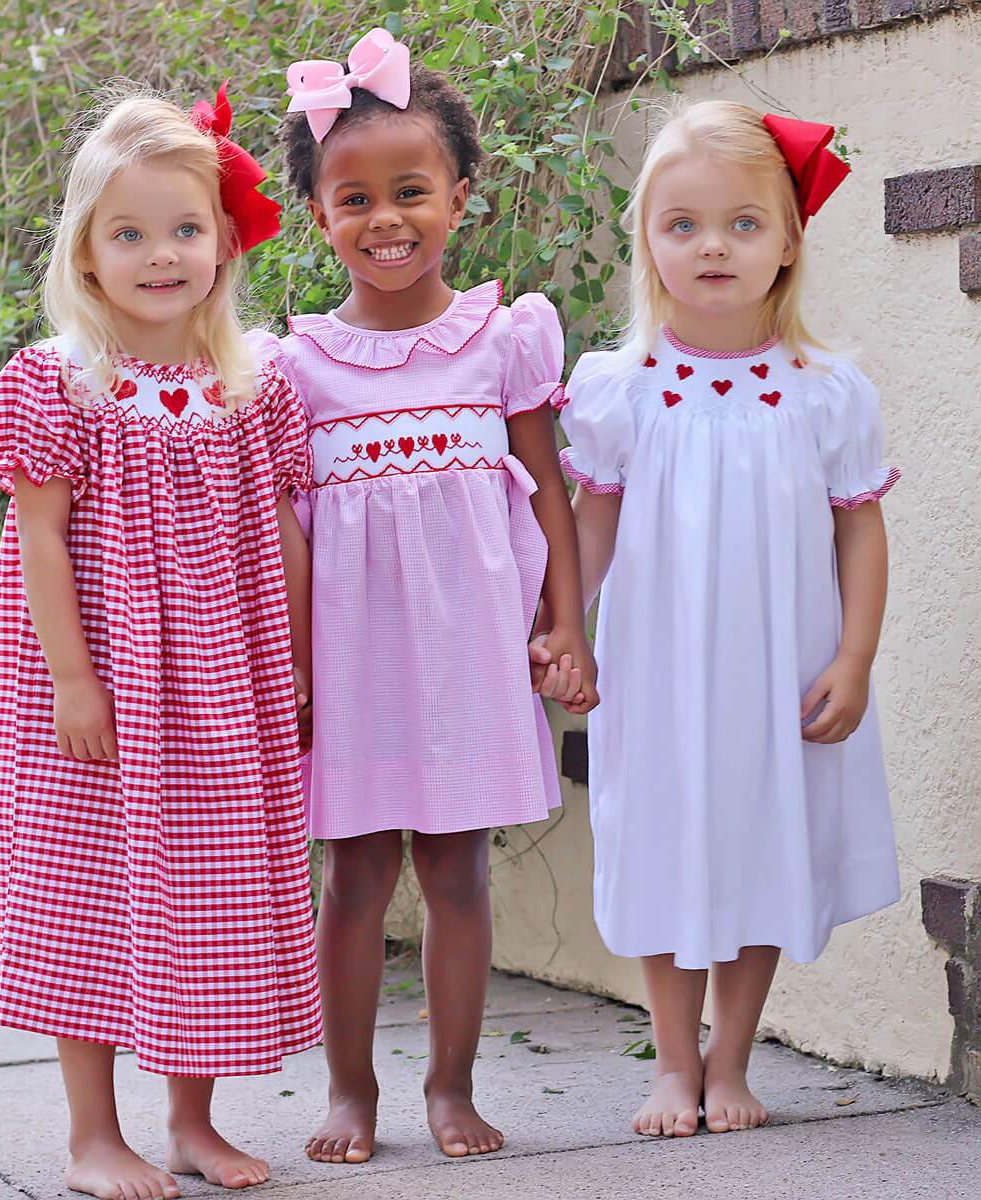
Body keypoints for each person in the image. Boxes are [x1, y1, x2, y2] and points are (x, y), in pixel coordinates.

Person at [0, 84, 321, 1197]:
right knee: (96, 894)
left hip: (221, 687)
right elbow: (42, 547)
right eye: (129, 233)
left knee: (207, 891)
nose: (160, 254)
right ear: (85, 253)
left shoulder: (252, 385)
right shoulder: (60, 385)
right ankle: (91, 1132)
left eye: (184, 229)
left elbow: (281, 533)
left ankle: (193, 1121)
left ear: (223, 242)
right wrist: (73, 679)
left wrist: (300, 667)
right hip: (97, 685)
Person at [253, 28, 598, 1165]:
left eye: (412, 191)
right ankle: (351, 1094)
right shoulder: (296, 368)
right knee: (352, 874)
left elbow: (545, 491)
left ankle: (451, 1086)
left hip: (468, 653)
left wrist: (563, 626)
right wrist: (290, 666)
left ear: (461, 196)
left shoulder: (502, 339)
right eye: (355, 199)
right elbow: (285, 532)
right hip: (347, 659)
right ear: (319, 217)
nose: (386, 219)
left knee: (455, 867)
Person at [553, 100, 901, 1138]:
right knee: (663, 838)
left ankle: (732, 1060)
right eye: (684, 223)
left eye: (744, 223)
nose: (713, 245)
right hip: (657, 666)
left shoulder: (826, 392)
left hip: (777, 669)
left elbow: (860, 534)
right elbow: (589, 525)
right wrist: (565, 628)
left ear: (789, 240)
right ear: (648, 241)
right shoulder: (620, 389)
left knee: (759, 842)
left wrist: (855, 655)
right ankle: (670, 1062)